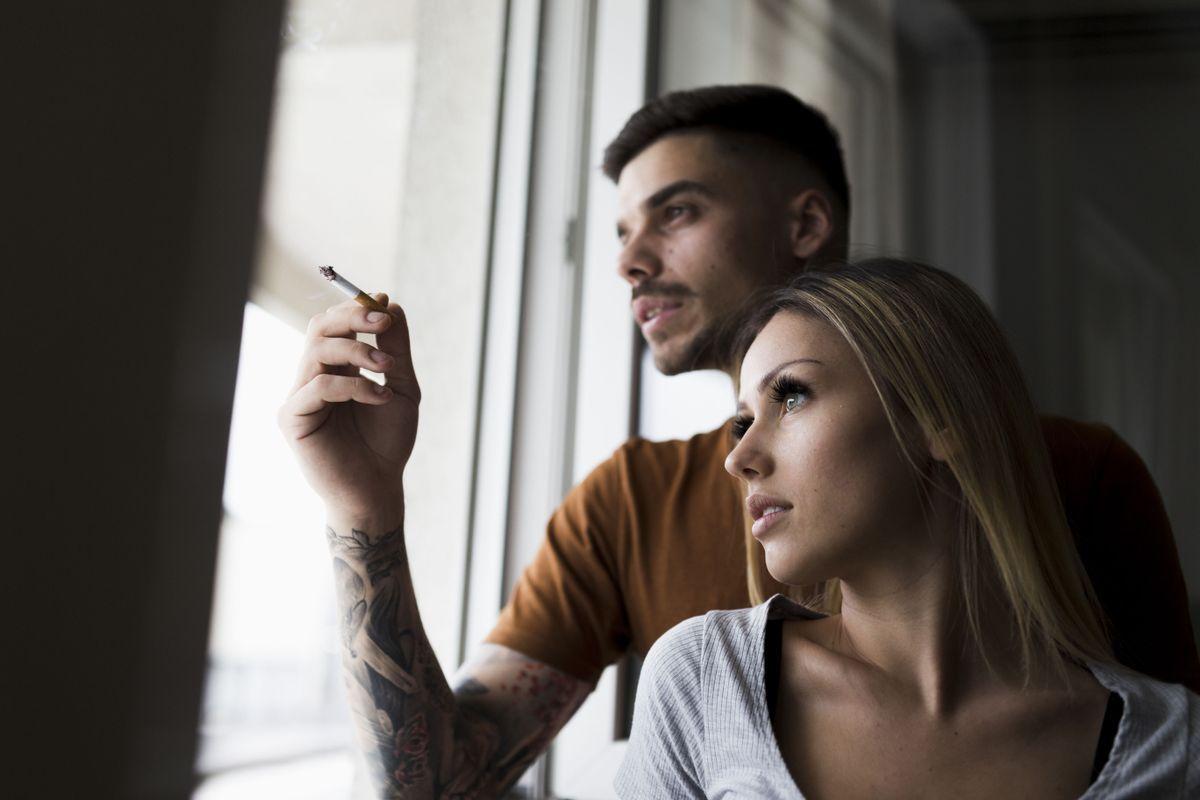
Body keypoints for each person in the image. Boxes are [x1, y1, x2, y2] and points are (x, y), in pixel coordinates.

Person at [278, 85, 1198, 796]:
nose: (631, 261)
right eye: (623, 232)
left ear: (806, 222)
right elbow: (441, 782)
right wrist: (365, 511)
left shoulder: (1079, 475)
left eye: (675, 213)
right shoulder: (627, 505)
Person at [615, 259, 1200, 798]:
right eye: (741, 422)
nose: (738, 458)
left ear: (938, 419)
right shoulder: (703, 683)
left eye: (791, 397)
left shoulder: (1173, 747)